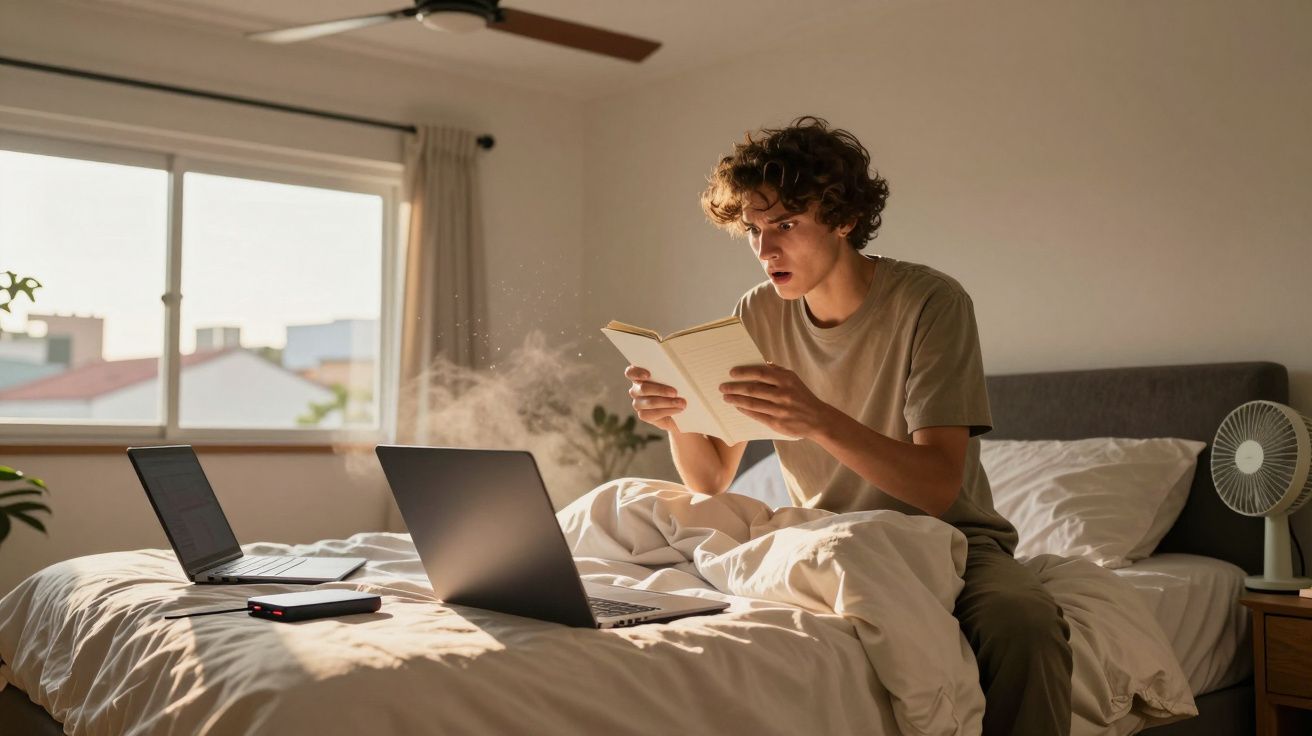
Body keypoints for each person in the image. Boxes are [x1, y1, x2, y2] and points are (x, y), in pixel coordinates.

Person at [623, 116, 1072, 736]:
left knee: (1024, 624)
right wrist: (678, 419)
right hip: (832, 543)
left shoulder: (931, 303)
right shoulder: (758, 312)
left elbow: (939, 487)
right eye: (754, 229)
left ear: (843, 218)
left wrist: (817, 420)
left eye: (785, 225)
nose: (765, 250)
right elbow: (711, 477)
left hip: (952, 542)